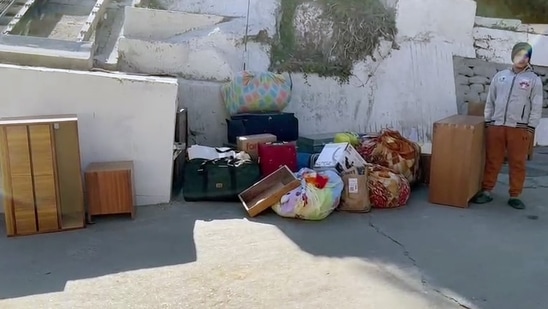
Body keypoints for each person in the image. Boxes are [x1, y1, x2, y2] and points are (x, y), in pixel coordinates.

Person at [472, 42, 543, 209]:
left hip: (519, 128)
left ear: (529, 59)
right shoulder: (501, 76)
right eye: (519, 55)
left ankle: (515, 195)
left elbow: (536, 105)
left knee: (517, 162)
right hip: (496, 126)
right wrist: (489, 121)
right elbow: (490, 100)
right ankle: (487, 190)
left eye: (526, 56)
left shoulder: (533, 80)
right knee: (492, 160)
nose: (522, 58)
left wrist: (531, 126)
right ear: (513, 56)